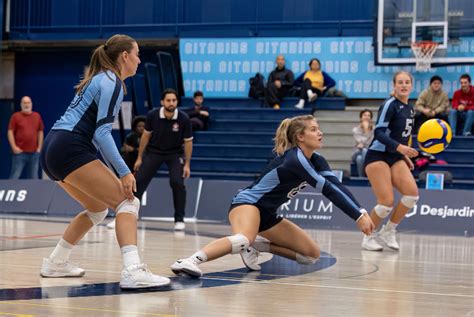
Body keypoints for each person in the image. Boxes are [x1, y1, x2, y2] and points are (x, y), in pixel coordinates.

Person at [39, 34, 170, 289]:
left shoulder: (100, 79)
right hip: (70, 147)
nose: (139, 60)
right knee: (128, 203)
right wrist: (124, 172)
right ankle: (133, 271)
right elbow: (101, 134)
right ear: (125, 56)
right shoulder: (112, 81)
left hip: (53, 147)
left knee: (98, 209)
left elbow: (97, 138)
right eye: (137, 54)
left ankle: (56, 262)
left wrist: (117, 173)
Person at [170, 115, 375, 277]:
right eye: (314, 129)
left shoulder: (318, 160)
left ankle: (255, 245)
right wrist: (357, 217)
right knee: (242, 238)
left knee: (310, 255)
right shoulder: (295, 159)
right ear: (300, 137)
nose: (320, 133)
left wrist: (362, 211)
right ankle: (190, 261)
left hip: (267, 214)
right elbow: (328, 190)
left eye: (319, 128)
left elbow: (336, 185)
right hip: (247, 204)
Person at [361, 71, 419, 251]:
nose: (403, 85)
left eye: (407, 82)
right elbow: (378, 133)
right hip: (377, 155)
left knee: (411, 195)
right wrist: (400, 148)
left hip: (395, 156)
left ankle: (389, 230)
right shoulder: (389, 104)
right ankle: (368, 237)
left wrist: (402, 155)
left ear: (411, 86)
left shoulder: (410, 108)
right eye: (400, 82)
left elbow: (402, 135)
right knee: (386, 202)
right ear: (394, 86)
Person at [134, 88, 193, 231]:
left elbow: (188, 142)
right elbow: (145, 136)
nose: (171, 103)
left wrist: (187, 165)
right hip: (154, 152)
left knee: (177, 182)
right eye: (168, 100)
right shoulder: (152, 115)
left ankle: (179, 219)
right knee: (139, 182)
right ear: (162, 102)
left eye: (174, 100)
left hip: (175, 154)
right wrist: (139, 158)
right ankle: (125, 217)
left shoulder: (184, 118)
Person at [7, 96, 44, 179]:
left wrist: (39, 147)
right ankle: (12, 192)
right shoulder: (15, 116)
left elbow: (40, 131)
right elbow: (10, 132)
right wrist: (14, 147)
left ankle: (35, 192)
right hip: (20, 153)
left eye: (28, 103)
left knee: (34, 177)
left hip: (34, 153)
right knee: (14, 176)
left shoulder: (36, 116)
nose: (26, 105)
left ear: (31, 104)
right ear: (21, 104)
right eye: (24, 103)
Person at [351, 109, 374, 177]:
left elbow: (369, 143)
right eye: (365, 115)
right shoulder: (355, 130)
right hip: (356, 152)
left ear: (370, 118)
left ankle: (362, 177)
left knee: (359, 158)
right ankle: (368, 175)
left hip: (368, 152)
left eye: (368, 116)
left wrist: (367, 129)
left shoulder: (374, 130)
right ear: (361, 118)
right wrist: (366, 130)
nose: (366, 117)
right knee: (363, 150)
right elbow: (361, 143)